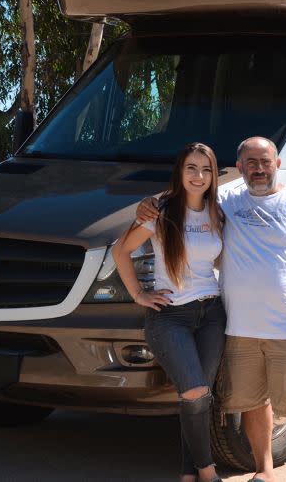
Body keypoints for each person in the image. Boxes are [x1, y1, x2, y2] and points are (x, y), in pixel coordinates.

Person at [138, 136, 286, 482]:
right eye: (251, 162)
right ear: (240, 167)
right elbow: (186, 195)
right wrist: (147, 203)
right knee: (252, 402)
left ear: (278, 164)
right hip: (239, 326)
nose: (259, 169)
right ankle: (264, 471)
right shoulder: (225, 201)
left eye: (265, 162)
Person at [115, 142, 227, 482]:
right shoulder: (160, 211)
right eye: (191, 168)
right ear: (180, 171)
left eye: (206, 169)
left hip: (211, 313)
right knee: (194, 391)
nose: (199, 176)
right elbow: (121, 251)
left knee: (197, 398)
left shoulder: (217, 213)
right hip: (170, 316)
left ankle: (186, 474)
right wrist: (139, 294)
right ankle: (208, 473)